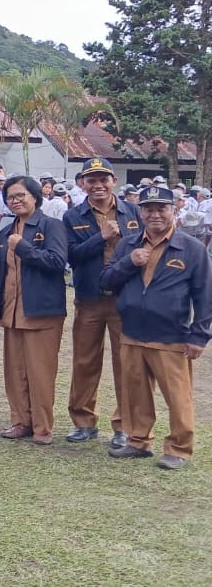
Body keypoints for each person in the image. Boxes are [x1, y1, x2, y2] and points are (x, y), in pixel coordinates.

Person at [103, 185, 211, 470]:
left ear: (174, 210)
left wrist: (199, 336)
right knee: (135, 392)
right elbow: (106, 280)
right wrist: (129, 262)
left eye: (161, 208)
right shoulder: (128, 244)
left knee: (177, 397)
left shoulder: (192, 249)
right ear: (140, 212)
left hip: (170, 336)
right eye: (148, 209)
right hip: (133, 332)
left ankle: (179, 447)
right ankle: (138, 441)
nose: (154, 215)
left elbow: (205, 296)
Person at [63, 156, 141, 448]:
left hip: (125, 298)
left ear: (113, 181)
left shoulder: (132, 211)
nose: (98, 185)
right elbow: (71, 255)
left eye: (103, 178)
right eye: (91, 179)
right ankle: (83, 422)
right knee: (85, 361)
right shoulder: (72, 216)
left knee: (127, 363)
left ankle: (125, 425)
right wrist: (101, 237)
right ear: (82, 183)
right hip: (89, 299)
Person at [0, 175, 69, 445]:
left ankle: (42, 428)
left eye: (21, 195)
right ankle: (20, 421)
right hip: (12, 311)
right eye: (10, 197)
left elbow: (58, 261)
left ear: (35, 197)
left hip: (41, 312)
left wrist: (23, 247)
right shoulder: (5, 231)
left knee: (40, 373)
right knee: (15, 372)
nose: (16, 201)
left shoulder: (51, 226)